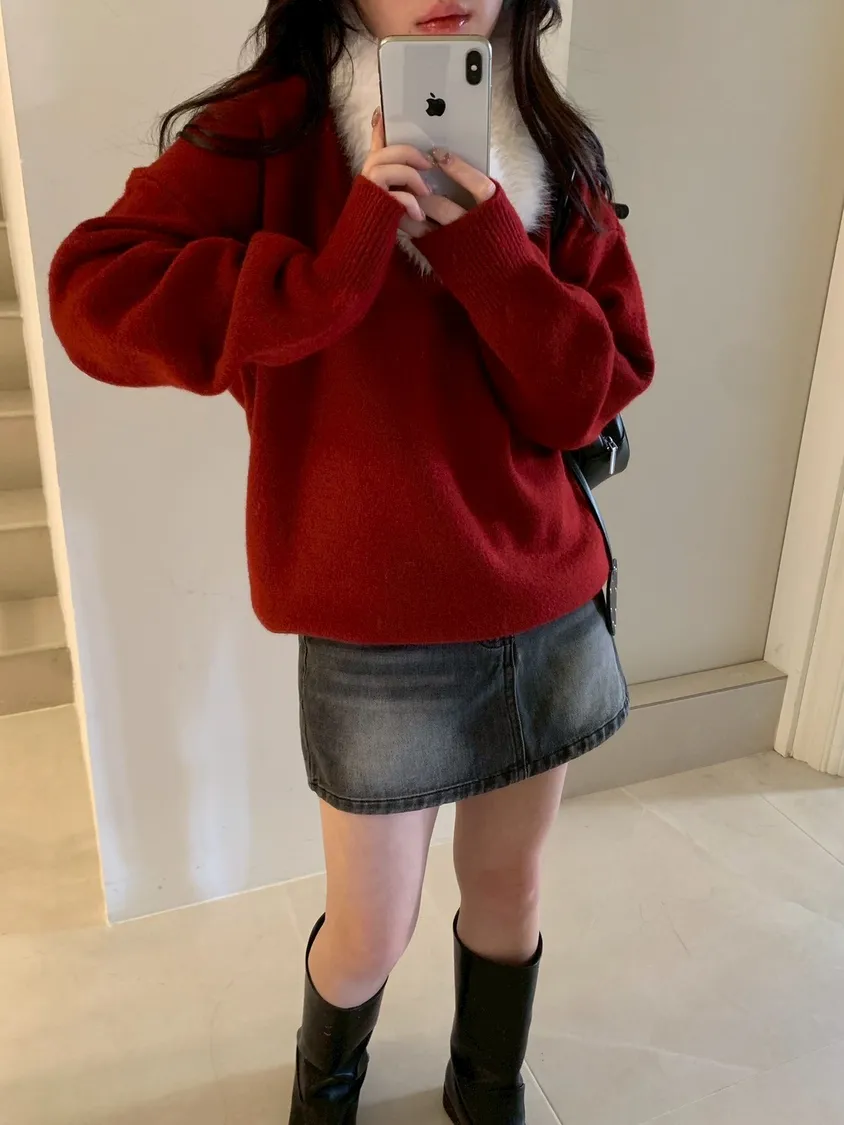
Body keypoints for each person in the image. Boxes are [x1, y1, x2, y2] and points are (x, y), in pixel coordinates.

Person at [49, 0, 654, 1121]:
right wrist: (336, 266)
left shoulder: (550, 146)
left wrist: (488, 249)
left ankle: (486, 1089)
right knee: (372, 926)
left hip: (541, 603)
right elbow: (92, 293)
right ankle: (323, 1092)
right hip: (371, 630)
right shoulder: (271, 133)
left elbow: (588, 395)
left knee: (510, 892)